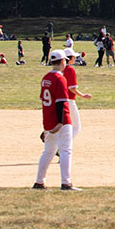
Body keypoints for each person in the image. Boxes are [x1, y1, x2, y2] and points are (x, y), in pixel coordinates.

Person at [35, 51, 79, 190]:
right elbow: (61, 103)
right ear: (62, 62)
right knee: (66, 150)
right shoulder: (60, 79)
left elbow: (44, 101)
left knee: (48, 152)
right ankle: (66, 183)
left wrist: (47, 126)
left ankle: (39, 182)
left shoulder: (45, 78)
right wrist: (60, 122)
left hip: (48, 120)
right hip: (61, 120)